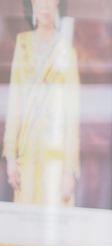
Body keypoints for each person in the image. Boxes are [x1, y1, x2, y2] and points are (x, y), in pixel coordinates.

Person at [3, 0, 80, 206]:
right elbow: (14, 103)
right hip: (26, 152)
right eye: (39, 0)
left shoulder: (66, 51)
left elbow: (72, 116)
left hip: (56, 153)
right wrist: (10, 157)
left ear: (58, 4)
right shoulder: (23, 44)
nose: (44, 6)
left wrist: (69, 171)